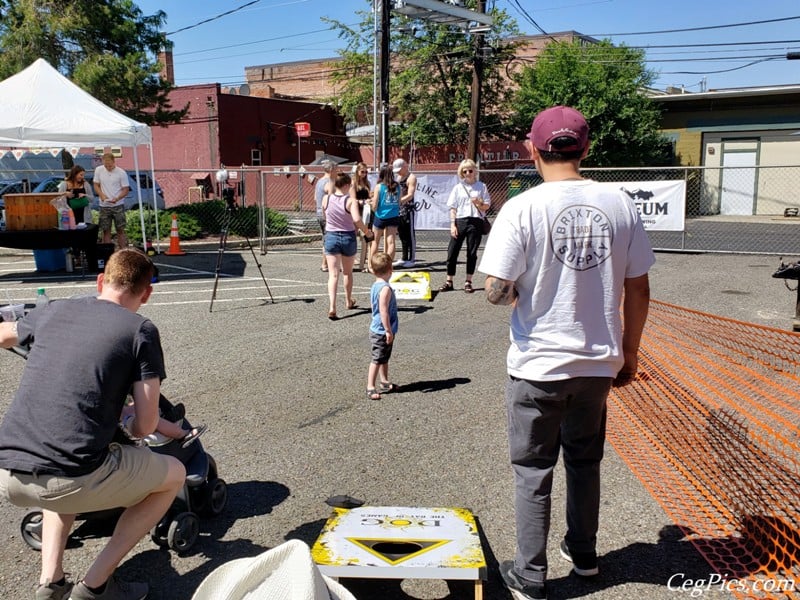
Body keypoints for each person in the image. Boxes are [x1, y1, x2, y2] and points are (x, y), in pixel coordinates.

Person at [478, 106, 654, 600]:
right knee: (584, 461)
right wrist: (629, 353)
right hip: (597, 361)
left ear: (532, 150)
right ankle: (584, 555)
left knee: (533, 469)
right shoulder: (620, 204)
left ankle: (530, 575)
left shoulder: (522, 207)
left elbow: (495, 288)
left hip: (539, 364)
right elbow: (638, 288)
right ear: (586, 148)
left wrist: (511, 292)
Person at [0, 248, 186, 600]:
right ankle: (96, 586)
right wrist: (131, 417)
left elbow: (4, 334)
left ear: (101, 281)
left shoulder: (55, 310)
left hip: (9, 473)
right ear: (146, 293)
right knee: (173, 474)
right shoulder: (141, 330)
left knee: (63, 463)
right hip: (70, 478)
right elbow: (146, 426)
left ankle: (51, 584)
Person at [323, 172, 373, 320]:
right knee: (347, 272)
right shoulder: (351, 201)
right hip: (347, 236)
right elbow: (357, 219)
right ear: (345, 185)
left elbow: (325, 216)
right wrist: (367, 232)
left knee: (333, 275)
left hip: (331, 236)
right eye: (350, 185)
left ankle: (332, 306)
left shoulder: (326, 198)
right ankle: (348, 300)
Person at [439, 159, 490, 294]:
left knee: (471, 253)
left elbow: (487, 206)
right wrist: (452, 225)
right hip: (460, 221)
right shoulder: (458, 188)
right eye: (464, 171)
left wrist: (479, 203)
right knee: (452, 251)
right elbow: (452, 208)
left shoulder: (482, 186)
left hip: (475, 221)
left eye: (470, 170)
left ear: (475, 171)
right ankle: (449, 280)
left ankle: (468, 281)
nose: (467, 173)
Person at [365, 252, 399, 401]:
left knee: (384, 357)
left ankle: (384, 381)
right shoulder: (385, 289)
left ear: (372, 270)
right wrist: (388, 330)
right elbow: (383, 311)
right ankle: (370, 386)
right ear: (391, 270)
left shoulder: (376, 285)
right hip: (381, 330)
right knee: (377, 359)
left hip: (379, 328)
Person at [93, 153, 130, 249]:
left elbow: (126, 189)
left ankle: (122, 250)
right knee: (105, 230)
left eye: (110, 165)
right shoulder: (99, 170)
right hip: (104, 205)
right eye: (106, 165)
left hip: (118, 205)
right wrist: (101, 195)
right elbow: (96, 184)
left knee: (120, 229)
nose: (108, 167)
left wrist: (117, 198)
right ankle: (107, 252)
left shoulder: (121, 172)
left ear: (114, 162)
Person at [369, 165, 400, 263]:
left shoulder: (379, 186)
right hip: (393, 215)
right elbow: (399, 202)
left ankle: (372, 265)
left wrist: (370, 204)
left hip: (381, 216)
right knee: (391, 242)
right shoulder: (397, 186)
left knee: (375, 241)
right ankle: (388, 264)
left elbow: (374, 205)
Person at [392, 158, 417, 268]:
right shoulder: (398, 177)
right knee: (402, 234)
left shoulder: (411, 178)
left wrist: (400, 201)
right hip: (399, 210)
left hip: (408, 209)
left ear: (404, 167)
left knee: (410, 234)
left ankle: (411, 259)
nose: (397, 172)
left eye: (399, 169)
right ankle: (404, 257)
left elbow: (410, 194)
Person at [350, 162, 372, 272]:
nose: (364, 174)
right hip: (356, 211)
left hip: (366, 212)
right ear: (357, 172)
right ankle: (351, 258)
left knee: (365, 237)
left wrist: (371, 197)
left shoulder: (367, 183)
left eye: (366, 172)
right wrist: (364, 202)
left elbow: (369, 196)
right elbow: (353, 199)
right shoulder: (353, 183)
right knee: (353, 236)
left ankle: (364, 261)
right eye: (362, 172)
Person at [315, 160, 336, 272]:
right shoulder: (329, 182)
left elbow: (315, 198)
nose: (337, 172)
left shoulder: (319, 181)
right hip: (326, 215)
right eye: (336, 169)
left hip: (319, 212)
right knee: (328, 239)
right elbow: (331, 198)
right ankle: (325, 264)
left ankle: (326, 263)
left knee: (326, 238)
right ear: (331, 170)